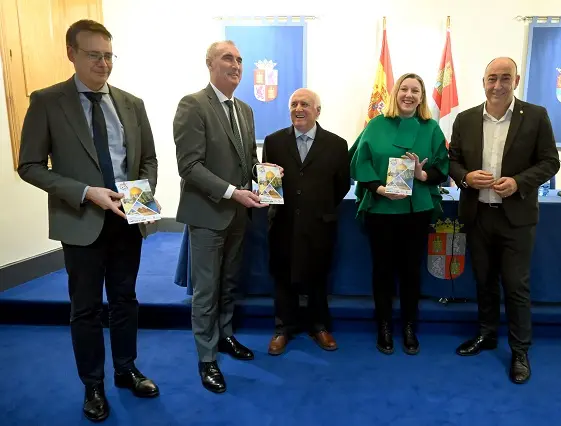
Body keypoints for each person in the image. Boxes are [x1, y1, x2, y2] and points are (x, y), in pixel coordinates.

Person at [17, 20, 160, 422]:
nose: (103, 64)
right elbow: (29, 165)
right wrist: (84, 191)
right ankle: (93, 385)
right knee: (85, 308)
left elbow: (148, 158)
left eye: (109, 55)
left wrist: (141, 194)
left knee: (125, 300)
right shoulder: (48, 101)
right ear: (71, 54)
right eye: (94, 55)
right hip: (81, 219)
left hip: (127, 219)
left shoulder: (132, 103)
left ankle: (126, 369)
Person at [448, 57, 560, 384]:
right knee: (483, 281)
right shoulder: (465, 119)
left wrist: (519, 182)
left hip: (516, 219)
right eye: (492, 78)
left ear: (516, 80)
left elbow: (550, 161)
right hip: (477, 215)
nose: (498, 85)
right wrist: (466, 177)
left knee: (515, 286)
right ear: (483, 81)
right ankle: (486, 335)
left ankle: (519, 351)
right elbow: (452, 161)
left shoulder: (536, 116)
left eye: (505, 78)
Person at [173, 40, 271, 394]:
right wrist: (232, 192)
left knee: (228, 283)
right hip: (208, 214)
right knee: (206, 290)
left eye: (240, 60)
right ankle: (207, 357)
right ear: (209, 64)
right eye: (227, 58)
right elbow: (190, 166)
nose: (236, 65)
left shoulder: (244, 109)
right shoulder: (193, 105)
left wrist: (267, 177)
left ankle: (225, 335)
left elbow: (248, 161)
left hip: (238, 216)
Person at [349, 73, 449, 355]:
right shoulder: (376, 125)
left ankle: (408, 326)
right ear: (395, 93)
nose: (409, 95)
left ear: (422, 96)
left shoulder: (431, 128)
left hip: (415, 211)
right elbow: (359, 161)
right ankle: (383, 325)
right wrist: (379, 189)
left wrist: (422, 174)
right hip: (381, 209)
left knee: (410, 271)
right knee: (382, 270)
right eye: (404, 89)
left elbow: (442, 168)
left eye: (415, 90)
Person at [261, 89, 351, 355]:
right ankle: (283, 328)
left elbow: (341, 185)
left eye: (305, 104)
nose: (298, 109)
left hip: (319, 222)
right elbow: (267, 181)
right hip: (283, 221)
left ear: (317, 111)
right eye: (294, 104)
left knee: (318, 276)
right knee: (282, 276)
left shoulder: (337, 144)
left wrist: (317, 205)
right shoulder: (273, 141)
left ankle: (319, 326)